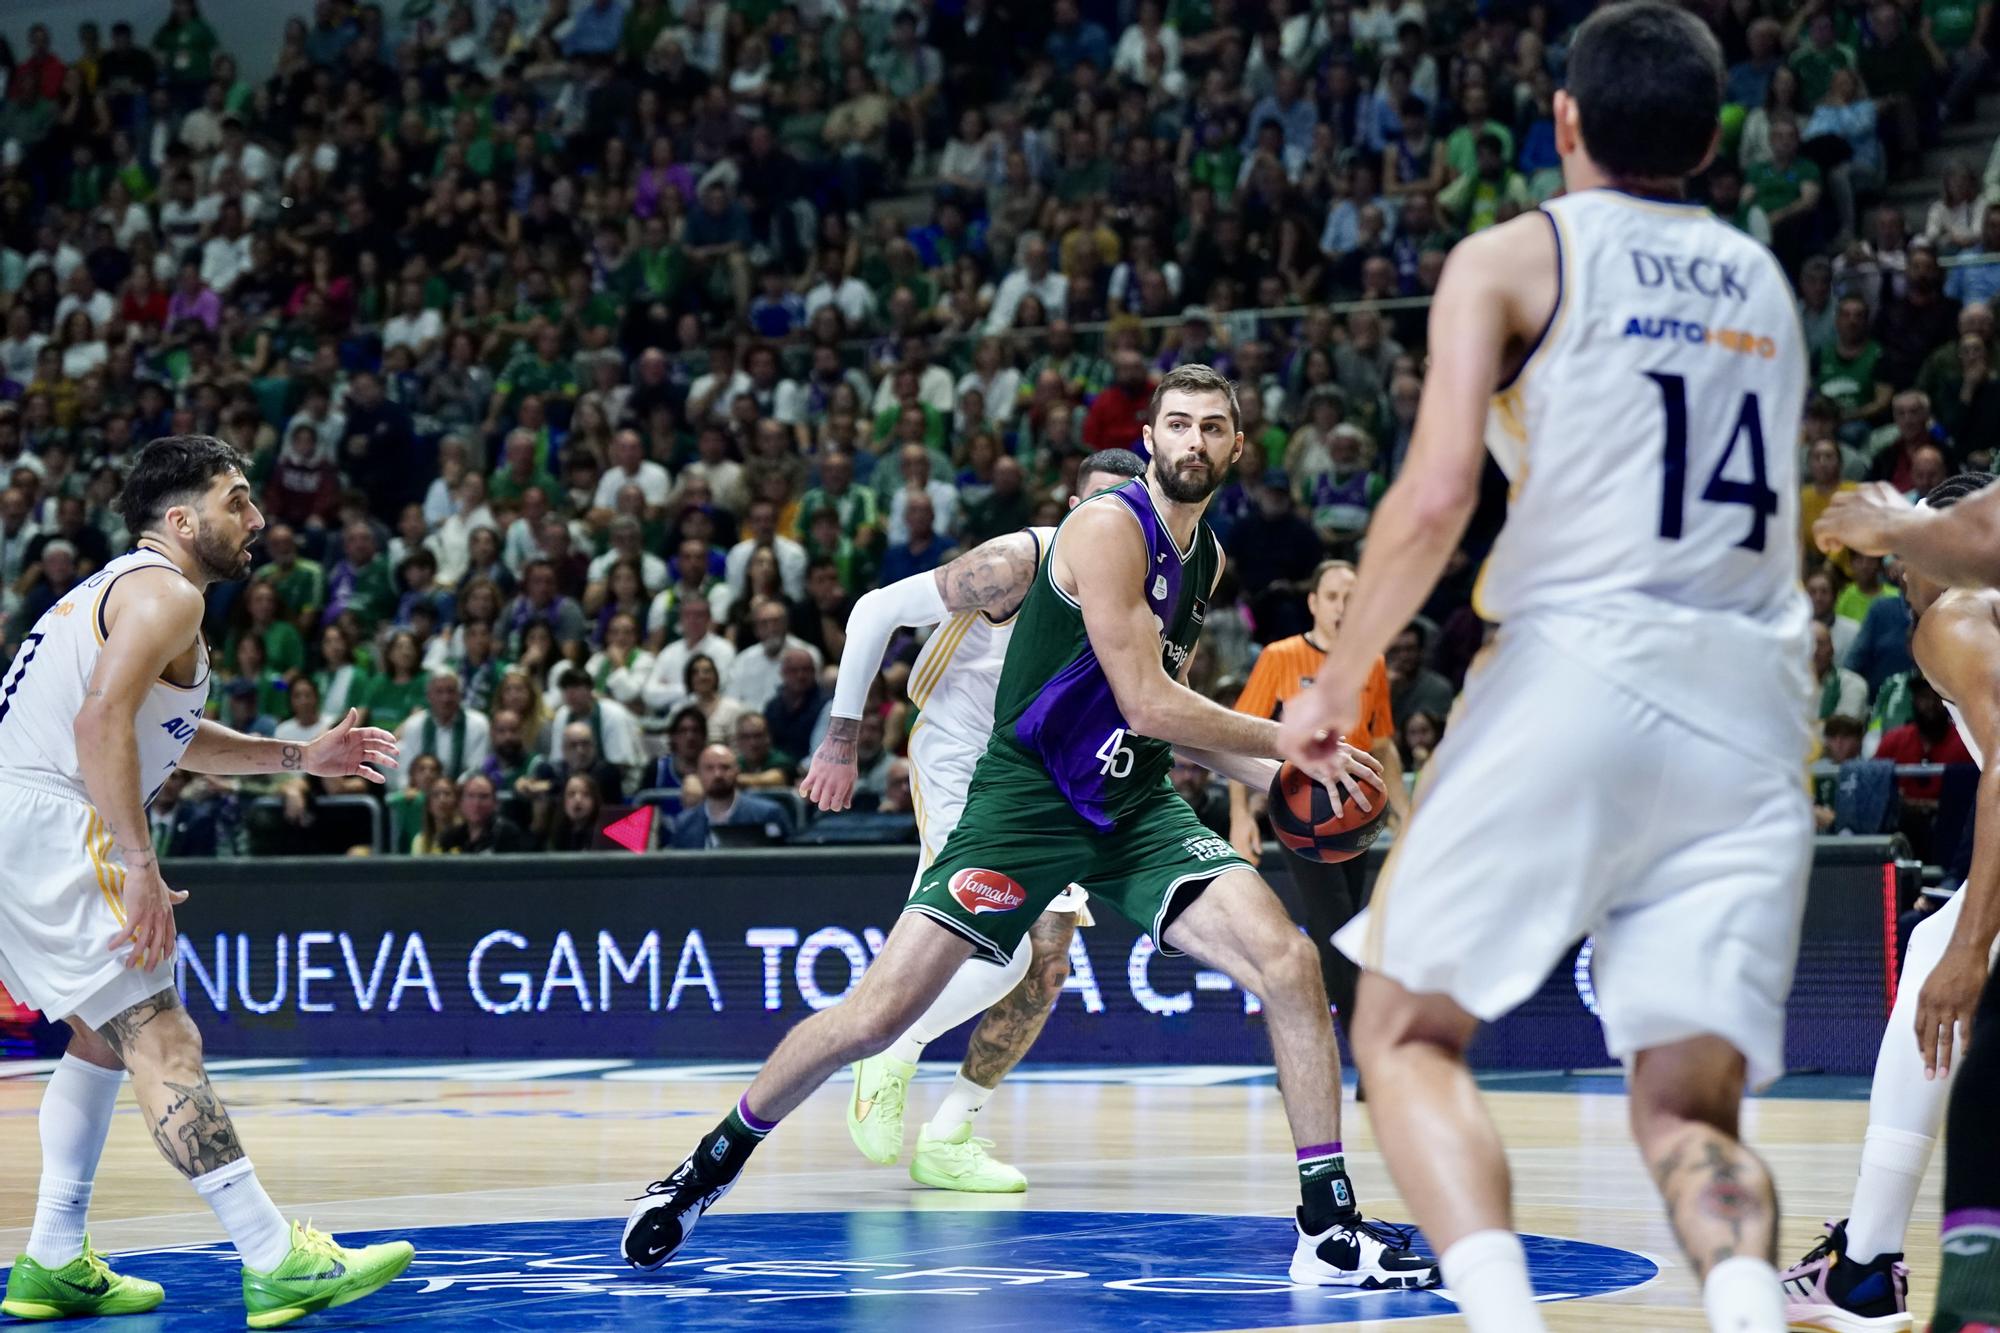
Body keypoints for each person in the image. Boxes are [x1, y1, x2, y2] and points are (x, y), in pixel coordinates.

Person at [628, 366, 1429, 1289]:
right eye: (1178, 424)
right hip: (1023, 806)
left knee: (1287, 962)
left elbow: (1158, 721)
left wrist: (1292, 771)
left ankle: (1325, 1227)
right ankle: (706, 1167)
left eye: (1214, 427)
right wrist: (1291, 738)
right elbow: (1148, 697)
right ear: (1152, 437)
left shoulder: (1203, 559)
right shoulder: (1101, 527)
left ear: (1236, 448)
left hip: (1134, 805)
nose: (1195, 441)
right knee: (879, 1014)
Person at [1277, 8, 1814, 1329]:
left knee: (1403, 1032)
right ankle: (1748, 1310)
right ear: (1709, 133)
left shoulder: (1518, 254)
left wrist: (1335, 685)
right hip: (1755, 703)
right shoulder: (1763, 281)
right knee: (1689, 1107)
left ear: (1565, 121)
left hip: (1582, 658)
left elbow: (1436, 494)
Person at [0, 436, 412, 1324]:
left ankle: (51, 1258)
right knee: (162, 1034)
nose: (256, 518)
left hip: (16, 817)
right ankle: (272, 1256)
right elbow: (100, 717)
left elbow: (165, 726)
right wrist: (138, 861)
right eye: (238, 499)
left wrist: (303, 755)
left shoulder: (122, 590)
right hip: (49, 816)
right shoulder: (166, 592)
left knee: (102, 1034)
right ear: (181, 520)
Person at [797, 447, 1144, 1193]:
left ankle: (951, 1132)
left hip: (1046, 771)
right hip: (962, 755)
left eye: (1124, 507)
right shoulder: (1021, 562)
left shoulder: (1147, 590)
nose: (1107, 522)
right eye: (1095, 505)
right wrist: (843, 737)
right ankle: (890, 1045)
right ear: (1072, 507)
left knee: (1046, 964)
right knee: (998, 952)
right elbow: (875, 610)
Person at [1784, 473, 1998, 1331]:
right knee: (1929, 952)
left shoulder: (1953, 617)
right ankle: (1866, 1259)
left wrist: (1971, 945)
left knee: (1941, 962)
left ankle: (1869, 1264)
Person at [1229, 560, 1408, 1030]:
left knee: (1348, 928)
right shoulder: (1281, 656)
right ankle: (1370, 1049)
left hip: (1360, 809)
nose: (1343, 607)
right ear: (1312, 603)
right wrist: (1241, 817)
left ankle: (1307, 1045)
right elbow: (1238, 733)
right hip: (1302, 808)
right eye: (1333, 596)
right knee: (1337, 930)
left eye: (1353, 597)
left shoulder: (1372, 661)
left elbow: (1383, 743)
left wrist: (1405, 817)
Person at [667, 744, 793, 849]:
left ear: (737, 771)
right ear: (698, 773)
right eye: (709, 768)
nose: (717, 774)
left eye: (725, 767)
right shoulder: (684, 823)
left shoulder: (768, 814)